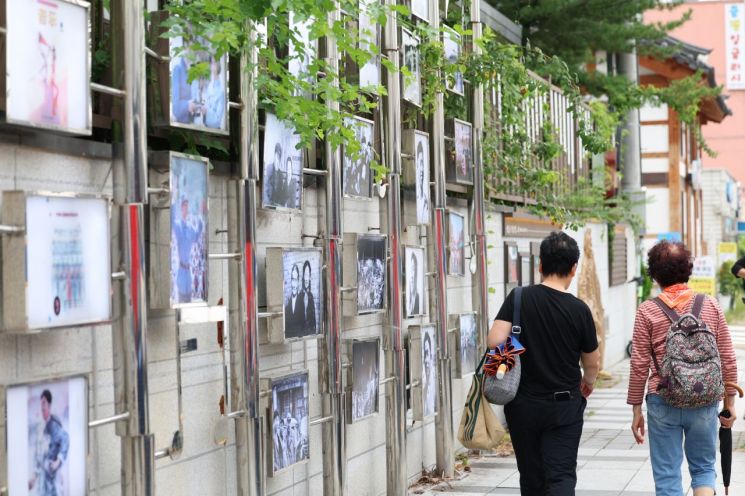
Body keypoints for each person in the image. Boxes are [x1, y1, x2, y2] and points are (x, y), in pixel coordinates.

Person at [487, 231, 600, 495]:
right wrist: (588, 382)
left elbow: (494, 342)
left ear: (540, 265)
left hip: (522, 405)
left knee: (531, 478)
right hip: (564, 406)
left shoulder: (518, 298)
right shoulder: (579, 309)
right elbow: (591, 361)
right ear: (573, 268)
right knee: (560, 477)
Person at [628, 241, 738, 496]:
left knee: (667, 475)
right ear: (688, 270)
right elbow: (727, 357)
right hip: (704, 399)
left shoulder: (647, 311)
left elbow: (639, 364)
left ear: (654, 274)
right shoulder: (710, 305)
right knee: (703, 470)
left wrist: (636, 409)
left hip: (662, 398)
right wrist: (730, 403)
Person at [29, 389, 69, 496]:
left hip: (53, 481)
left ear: (49, 405)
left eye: (44, 404)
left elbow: (65, 440)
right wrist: (33, 477)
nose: (42, 408)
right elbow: (38, 456)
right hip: (42, 482)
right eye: (41, 404)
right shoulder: (40, 429)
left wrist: (58, 462)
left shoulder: (55, 425)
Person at [172, 197, 204, 303]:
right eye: (184, 206)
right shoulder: (177, 225)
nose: (186, 208)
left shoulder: (191, 227)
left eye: (187, 206)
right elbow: (171, 220)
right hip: (181, 271)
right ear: (181, 208)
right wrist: (172, 200)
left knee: (189, 301)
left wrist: (200, 213)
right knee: (181, 301)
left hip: (188, 272)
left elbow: (197, 233)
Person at [202, 55, 225, 129]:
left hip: (214, 130)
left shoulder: (221, 91)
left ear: (218, 65)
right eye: (211, 63)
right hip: (206, 127)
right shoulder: (210, 86)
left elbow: (217, 121)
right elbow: (206, 104)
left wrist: (207, 111)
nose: (211, 65)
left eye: (214, 63)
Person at [284, 264, 304, 338]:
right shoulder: (287, 304)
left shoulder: (302, 302)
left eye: (296, 280)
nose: (294, 284)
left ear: (298, 282)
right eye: (292, 279)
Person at [422, 331, 437, 416]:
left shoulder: (435, 378)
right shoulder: (422, 379)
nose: (426, 359)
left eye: (427, 353)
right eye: (425, 354)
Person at [300, 261, 316, 334]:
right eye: (305, 275)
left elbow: (313, 320)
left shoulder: (311, 296)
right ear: (303, 276)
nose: (306, 279)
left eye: (308, 275)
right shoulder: (299, 296)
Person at [416, 140, 430, 224]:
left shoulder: (425, 199)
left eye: (422, 163)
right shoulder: (416, 198)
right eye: (419, 163)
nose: (421, 169)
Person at [407, 251, 420, 315]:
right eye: (411, 269)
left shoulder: (417, 296)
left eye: (414, 270)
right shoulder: (406, 294)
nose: (412, 274)